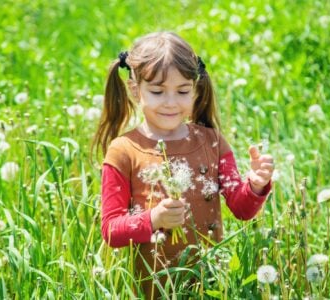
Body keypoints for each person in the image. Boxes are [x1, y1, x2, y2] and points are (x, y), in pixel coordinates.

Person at [92, 32, 274, 298]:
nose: (170, 102)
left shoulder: (211, 141)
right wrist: (154, 219)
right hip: (152, 288)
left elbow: (241, 208)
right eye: (157, 91)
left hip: (210, 284)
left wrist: (256, 185)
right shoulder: (124, 151)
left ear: (195, 88)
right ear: (134, 89)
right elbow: (110, 230)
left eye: (182, 91)